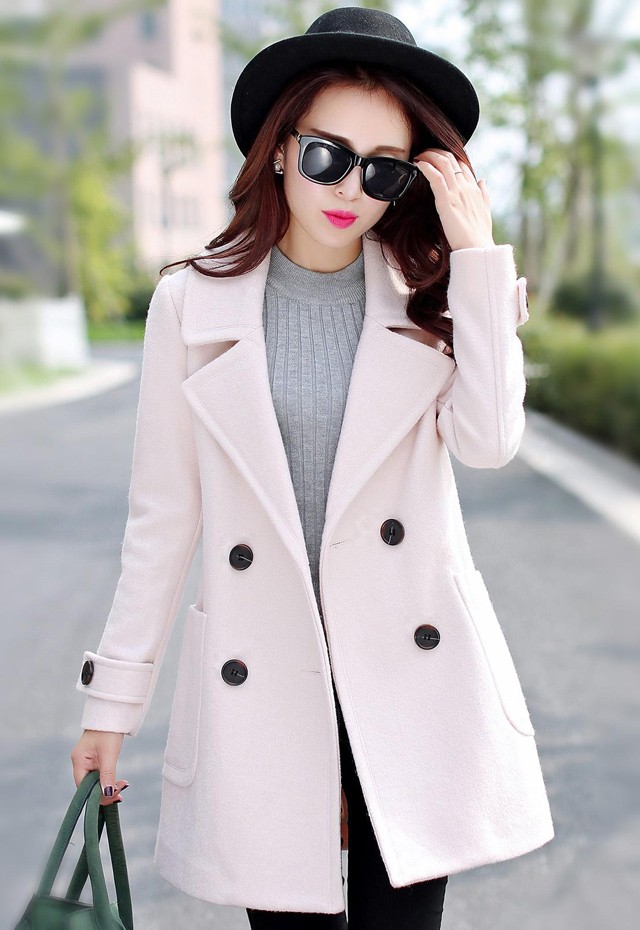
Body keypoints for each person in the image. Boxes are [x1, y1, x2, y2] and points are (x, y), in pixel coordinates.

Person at [70, 7, 552, 929]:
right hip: (267, 680)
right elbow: (163, 520)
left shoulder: (434, 295)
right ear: (281, 149)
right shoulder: (190, 303)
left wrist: (477, 258)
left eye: (384, 169)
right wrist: (112, 705)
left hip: (409, 682)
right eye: (329, 155)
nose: (350, 190)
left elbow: (490, 442)